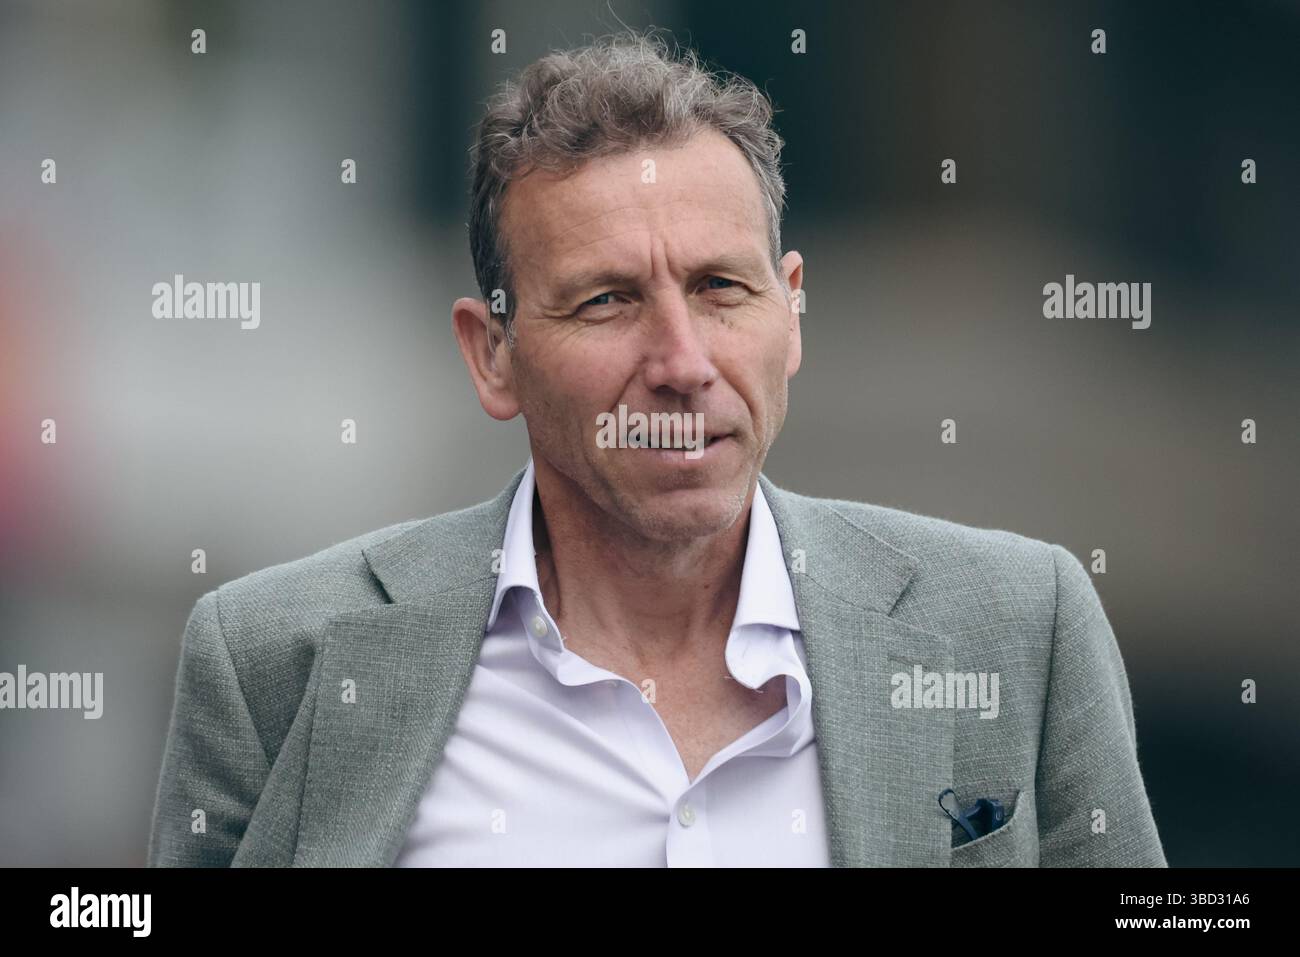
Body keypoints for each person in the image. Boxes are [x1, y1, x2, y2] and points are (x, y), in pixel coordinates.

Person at [148, 30, 1166, 867]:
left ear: (792, 313)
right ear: (491, 353)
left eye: (723, 288)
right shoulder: (272, 662)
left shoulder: (1018, 626)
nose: (682, 360)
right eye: (606, 302)